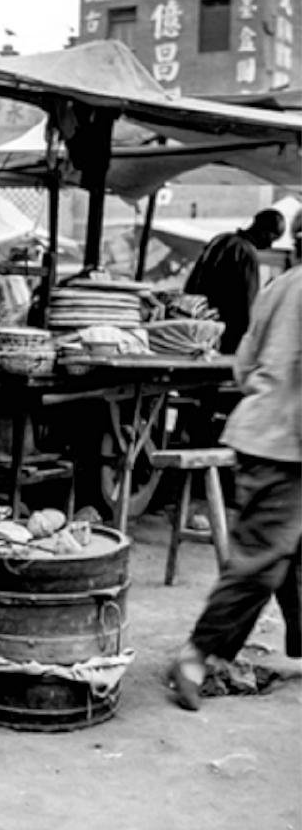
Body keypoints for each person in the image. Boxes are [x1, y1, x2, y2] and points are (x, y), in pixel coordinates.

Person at [168, 208, 302, 711]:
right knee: (262, 559)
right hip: (283, 442)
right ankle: (197, 654)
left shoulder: (280, 285)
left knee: (292, 553)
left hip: (260, 431)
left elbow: (244, 364)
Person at [184, 208, 285, 353]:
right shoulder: (246, 253)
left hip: (196, 326)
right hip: (224, 336)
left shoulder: (220, 239)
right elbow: (246, 304)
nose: (270, 245)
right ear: (265, 232)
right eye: (273, 238)